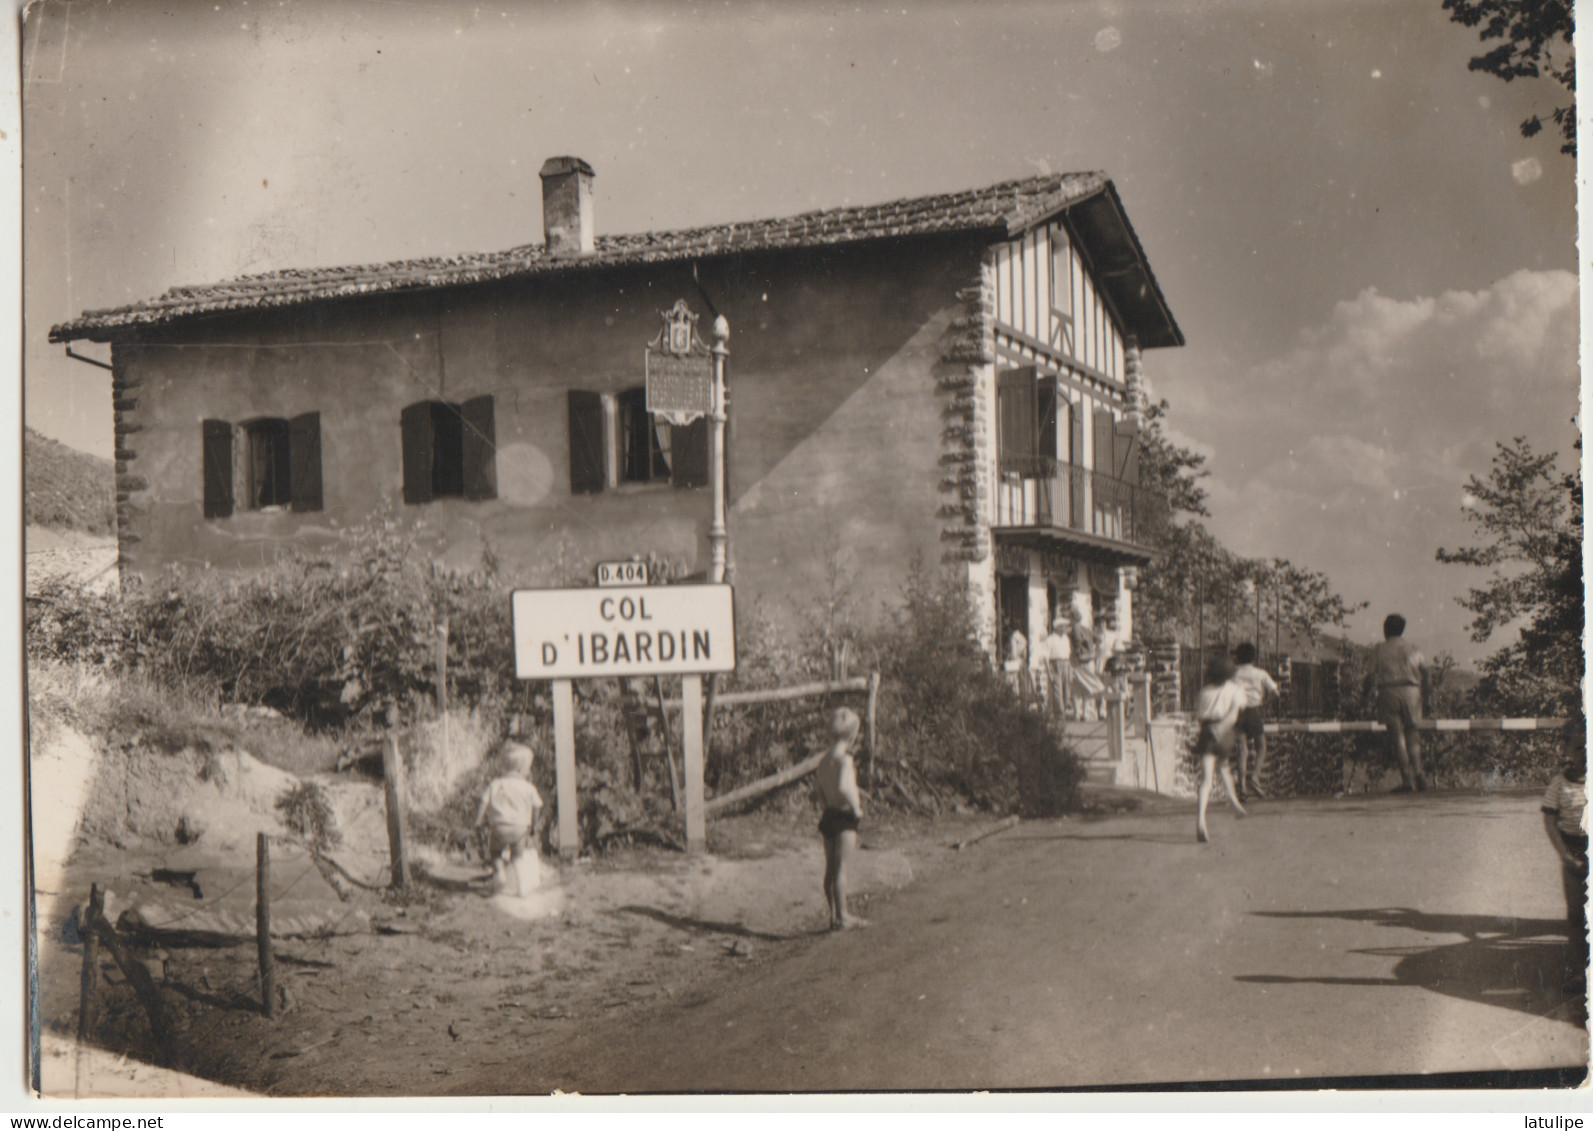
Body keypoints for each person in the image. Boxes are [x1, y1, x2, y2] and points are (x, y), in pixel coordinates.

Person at [1542, 717, 1588, 989]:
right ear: (1567, 751)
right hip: (1572, 851)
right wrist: (1563, 855)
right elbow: (1549, 821)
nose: (1585, 754)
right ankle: (1579, 971)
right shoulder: (1559, 785)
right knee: (1576, 916)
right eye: (1579, 748)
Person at [815, 706, 868, 930]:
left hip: (829, 815)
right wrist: (856, 807)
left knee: (830, 869)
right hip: (845, 817)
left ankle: (834, 915)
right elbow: (844, 786)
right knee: (841, 869)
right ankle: (844, 916)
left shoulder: (823, 761)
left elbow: (818, 791)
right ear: (853, 735)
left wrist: (826, 804)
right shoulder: (845, 761)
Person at [1369, 613, 1431, 792]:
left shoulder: (1379, 649)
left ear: (1385, 630)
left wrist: (1367, 696)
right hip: (1412, 691)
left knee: (1397, 736)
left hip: (1389, 691)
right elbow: (1426, 672)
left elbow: (1371, 676)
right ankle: (1419, 772)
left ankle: (1406, 780)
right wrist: (1427, 696)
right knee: (1412, 734)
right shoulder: (1413, 649)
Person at [474, 742, 543, 896]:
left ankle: (500, 873)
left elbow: (484, 802)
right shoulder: (528, 787)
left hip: (499, 826)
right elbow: (537, 806)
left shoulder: (496, 784)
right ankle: (521, 886)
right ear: (522, 769)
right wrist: (534, 824)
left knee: (496, 853)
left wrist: (478, 820)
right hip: (520, 827)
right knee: (517, 857)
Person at [1193, 656, 1248, 843]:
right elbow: (1239, 710)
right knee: (1224, 767)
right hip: (1225, 733)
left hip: (1208, 731)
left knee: (1206, 778)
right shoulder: (1235, 690)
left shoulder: (1203, 692)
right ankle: (1233, 801)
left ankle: (1201, 818)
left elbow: (1199, 715)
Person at [1232, 642, 1281, 801]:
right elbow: (1275, 692)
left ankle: (1242, 789)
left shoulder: (1232, 672)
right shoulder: (1261, 673)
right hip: (1253, 711)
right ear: (1254, 657)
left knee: (1242, 750)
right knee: (1261, 746)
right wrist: (1265, 703)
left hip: (1237, 712)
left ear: (1237, 657)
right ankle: (1255, 776)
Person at [1039, 611, 1073, 720]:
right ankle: (1059, 713)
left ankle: (1066, 708)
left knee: (1066, 687)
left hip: (1066, 663)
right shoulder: (1050, 639)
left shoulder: (1066, 639)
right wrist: (1049, 672)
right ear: (1057, 628)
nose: (1064, 629)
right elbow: (1045, 656)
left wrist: (1069, 667)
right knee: (1057, 688)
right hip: (1055, 663)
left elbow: (1068, 654)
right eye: (1062, 627)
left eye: (1065, 627)